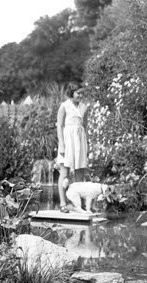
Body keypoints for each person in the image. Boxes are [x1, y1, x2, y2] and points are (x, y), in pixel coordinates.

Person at [56, 85, 89, 213]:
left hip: (80, 141)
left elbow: (85, 127)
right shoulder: (64, 106)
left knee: (80, 174)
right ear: (72, 93)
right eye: (78, 93)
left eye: (82, 93)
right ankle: (63, 203)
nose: (80, 96)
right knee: (64, 173)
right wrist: (62, 144)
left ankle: (78, 205)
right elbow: (59, 126)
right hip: (67, 141)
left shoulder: (84, 107)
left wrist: (87, 144)